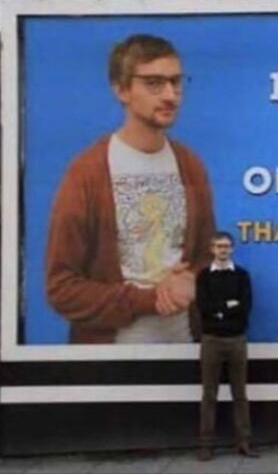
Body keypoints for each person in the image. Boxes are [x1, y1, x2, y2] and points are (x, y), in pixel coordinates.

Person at [45, 34, 215, 344]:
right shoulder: (86, 172)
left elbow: (207, 258)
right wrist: (148, 300)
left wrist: (194, 281)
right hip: (109, 360)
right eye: (154, 83)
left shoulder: (190, 166)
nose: (170, 95)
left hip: (185, 348)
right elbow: (61, 288)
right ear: (121, 89)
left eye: (176, 82)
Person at [196, 231, 258, 461]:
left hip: (236, 339)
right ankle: (206, 445)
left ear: (232, 249)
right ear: (212, 249)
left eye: (227, 246)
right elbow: (203, 307)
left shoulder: (241, 276)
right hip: (211, 340)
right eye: (219, 246)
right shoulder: (203, 276)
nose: (223, 250)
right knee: (209, 394)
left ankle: (244, 442)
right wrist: (228, 306)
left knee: (240, 393)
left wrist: (221, 310)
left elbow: (245, 308)